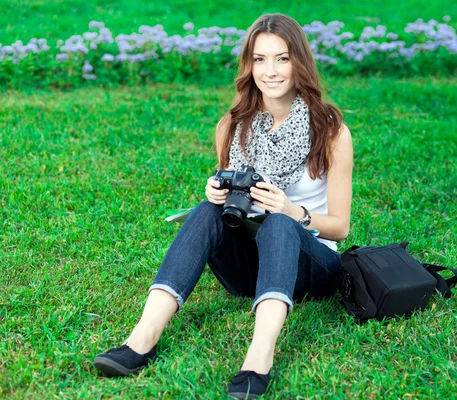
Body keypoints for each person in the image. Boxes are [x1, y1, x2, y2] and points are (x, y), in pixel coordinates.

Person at [93, 13, 353, 399]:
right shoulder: (233, 125)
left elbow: (341, 227)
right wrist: (218, 191)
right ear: (249, 66)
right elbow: (229, 193)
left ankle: (257, 359)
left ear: (300, 62)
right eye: (260, 59)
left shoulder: (331, 130)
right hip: (249, 267)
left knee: (279, 225)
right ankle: (141, 340)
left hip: (310, 266)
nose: (271, 71)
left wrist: (292, 211)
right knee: (206, 210)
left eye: (282, 58)